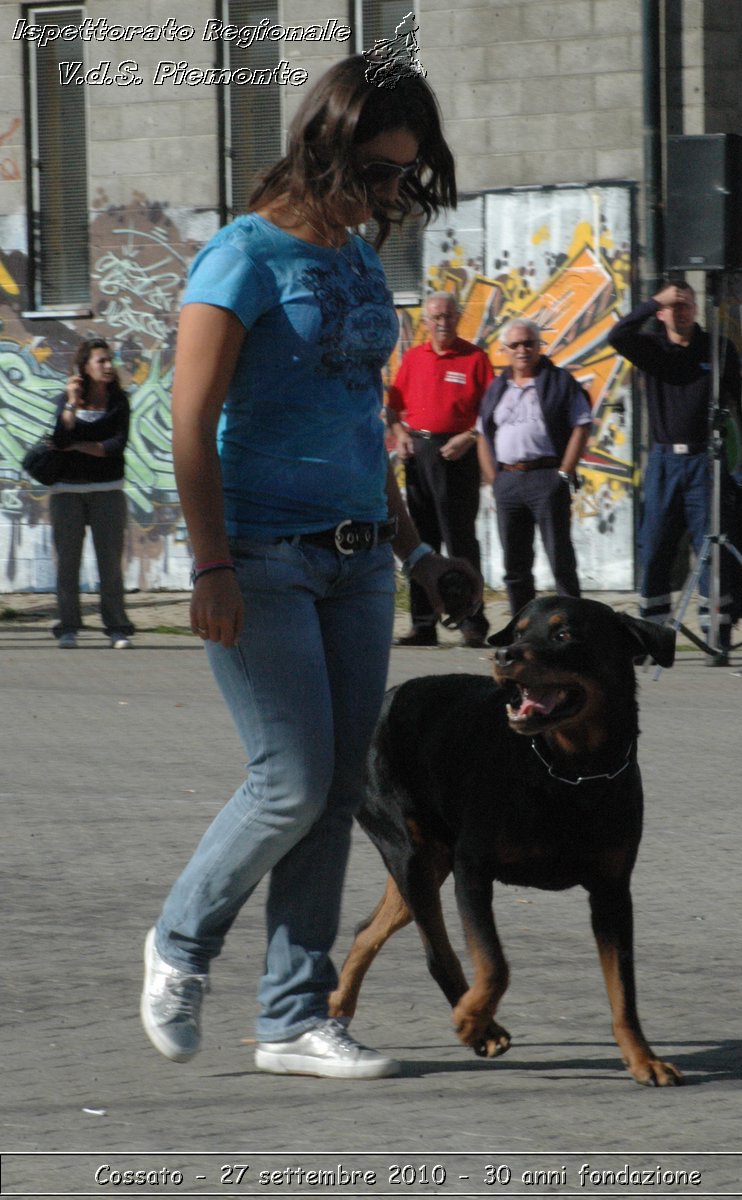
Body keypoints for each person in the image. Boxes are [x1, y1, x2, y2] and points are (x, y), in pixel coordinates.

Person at [139, 54, 480, 1081]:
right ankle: (178, 943)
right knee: (286, 782)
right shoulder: (240, 257)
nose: (390, 194)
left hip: (357, 561)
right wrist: (209, 568)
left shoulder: (357, 262)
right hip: (258, 556)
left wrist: (414, 547)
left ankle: (293, 1017)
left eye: (404, 177)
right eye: (379, 171)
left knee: (336, 791)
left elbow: (357, 424)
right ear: (324, 144)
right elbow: (189, 425)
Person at [607, 282, 742, 663]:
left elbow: (741, 402)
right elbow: (615, 335)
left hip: (705, 460)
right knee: (654, 549)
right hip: (664, 462)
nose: (681, 312)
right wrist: (652, 301)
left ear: (696, 308)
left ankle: (717, 637)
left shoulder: (717, 348)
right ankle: (652, 638)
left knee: (711, 550)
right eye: (674, 306)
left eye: (687, 305)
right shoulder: (651, 347)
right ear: (662, 313)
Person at [384, 293, 493, 646]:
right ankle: (423, 623)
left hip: (458, 455)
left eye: (448, 316)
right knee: (421, 541)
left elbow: (491, 411)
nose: (442, 322)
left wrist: (469, 437)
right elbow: (393, 409)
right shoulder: (414, 358)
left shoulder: (475, 358)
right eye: (436, 317)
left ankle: (471, 622)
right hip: (420, 452)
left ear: (458, 318)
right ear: (426, 322)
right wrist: (400, 435)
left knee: (461, 540)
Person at [477, 319, 592, 615]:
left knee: (560, 559)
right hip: (508, 482)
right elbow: (481, 433)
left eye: (529, 343)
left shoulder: (559, 381)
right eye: (515, 345)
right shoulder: (497, 387)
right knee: (515, 566)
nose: (522, 350)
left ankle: (572, 625)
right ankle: (523, 631)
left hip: (546, 478)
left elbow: (581, 425)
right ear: (504, 350)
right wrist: (494, 481)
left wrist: (564, 474)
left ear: (539, 346)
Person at [48, 338, 134, 650]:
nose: (109, 366)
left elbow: (115, 446)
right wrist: (71, 402)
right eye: (101, 361)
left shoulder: (119, 402)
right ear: (85, 366)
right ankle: (68, 627)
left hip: (108, 491)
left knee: (110, 564)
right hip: (66, 493)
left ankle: (116, 627)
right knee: (67, 564)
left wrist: (81, 446)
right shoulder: (65, 400)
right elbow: (59, 439)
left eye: (110, 360)